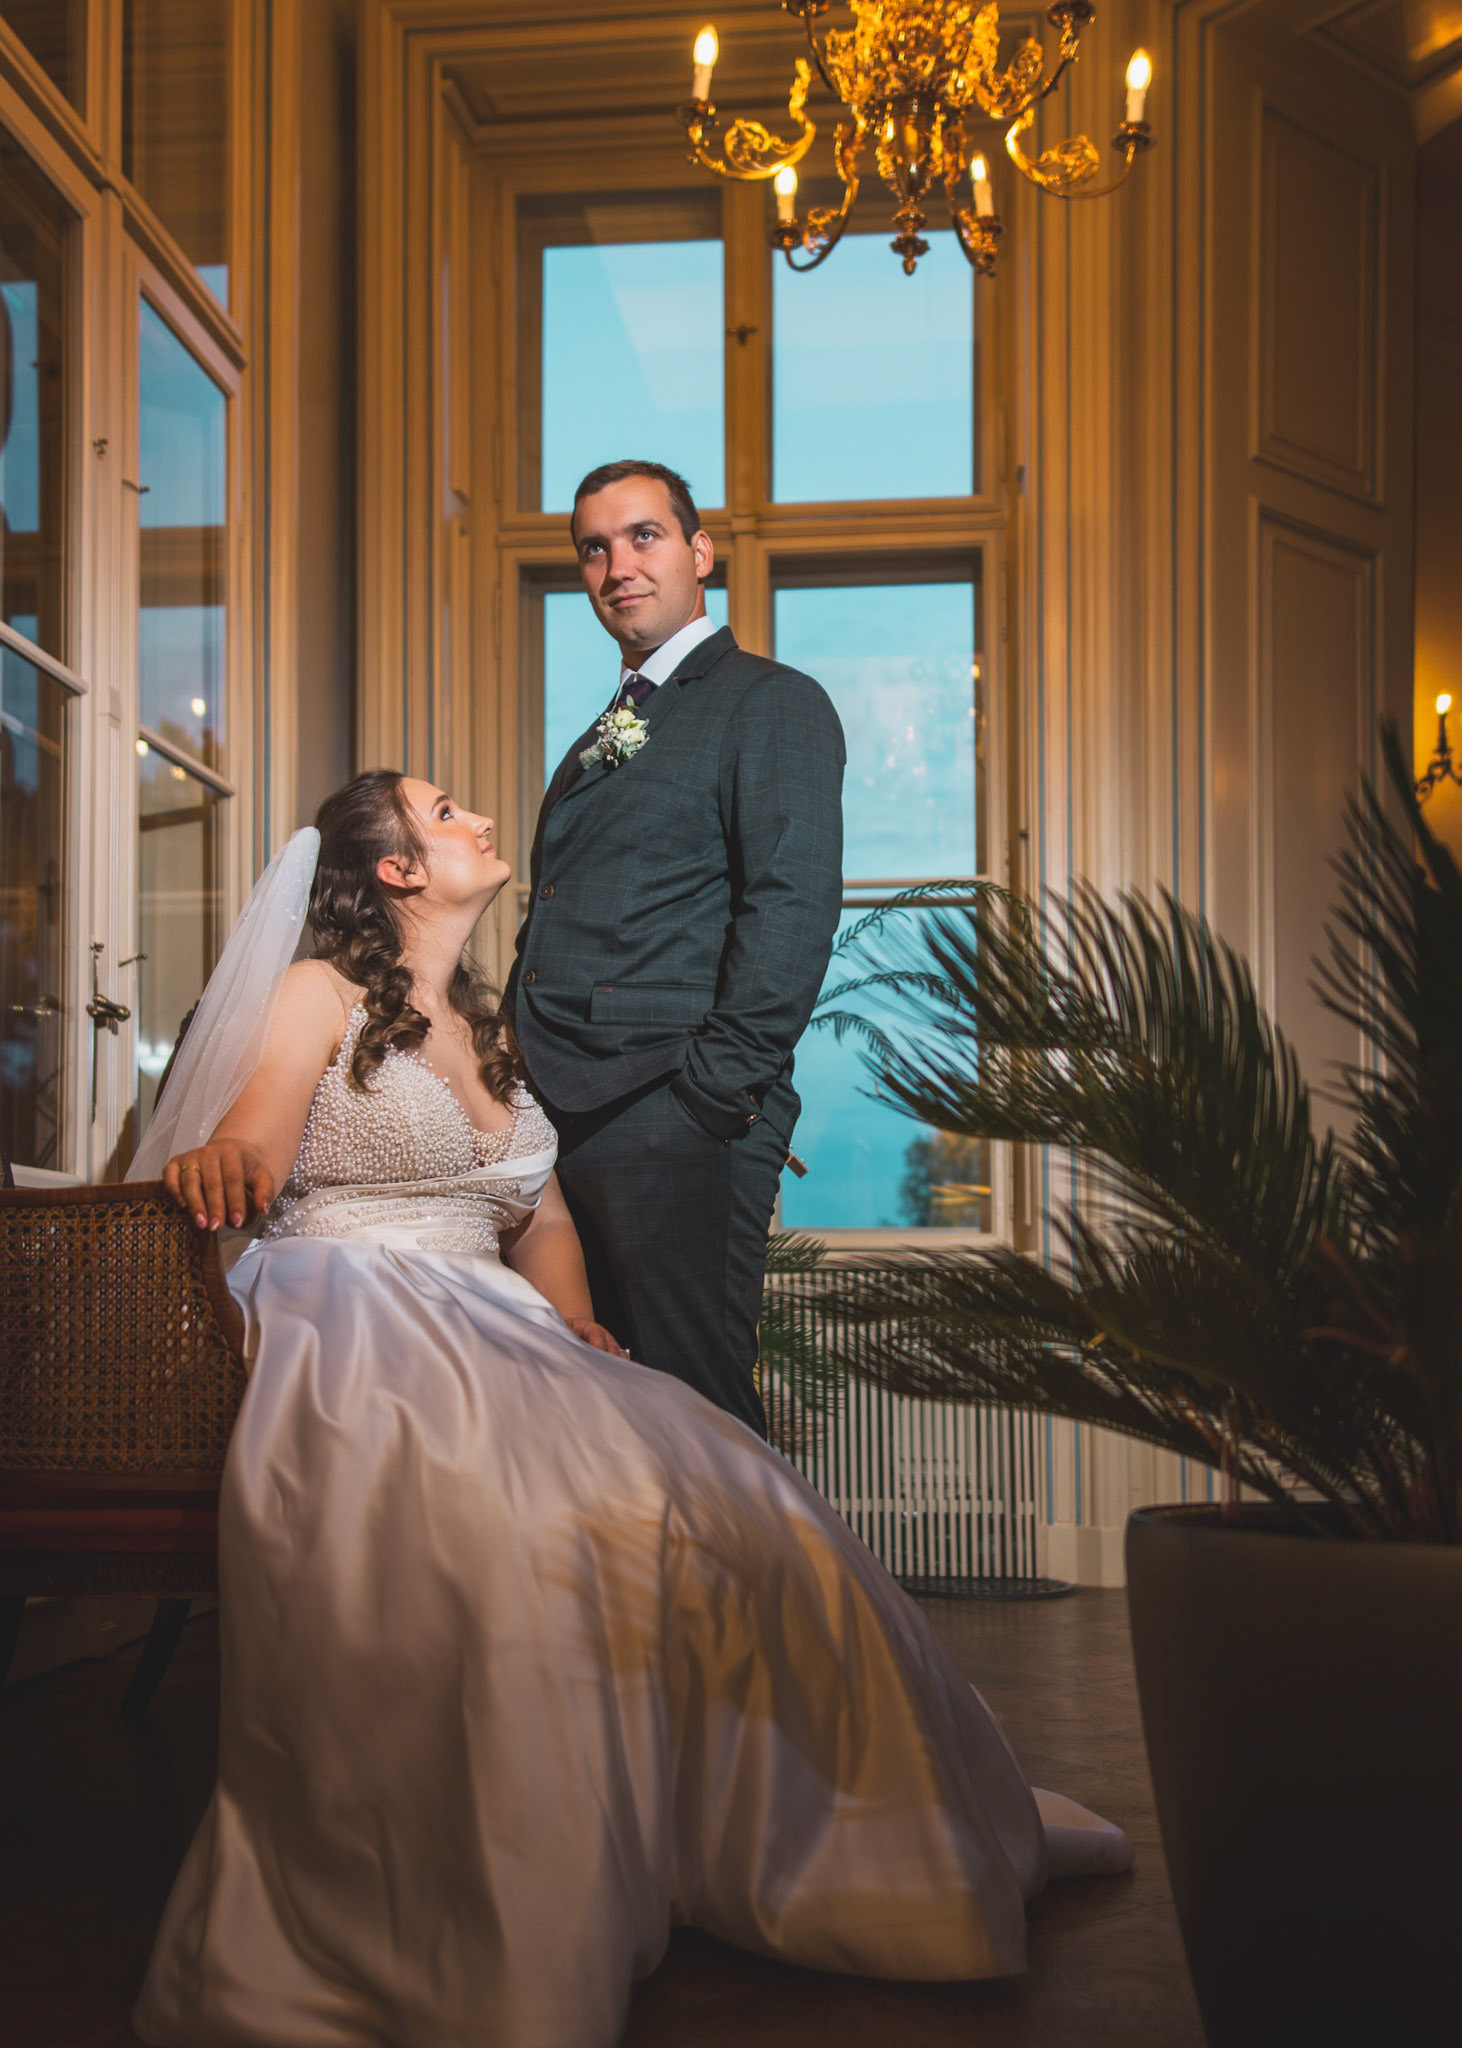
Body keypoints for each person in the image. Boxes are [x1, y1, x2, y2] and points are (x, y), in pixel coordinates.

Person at [127, 768, 1130, 2048]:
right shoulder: (318, 992)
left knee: (742, 1493)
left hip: (502, 1318)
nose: (475, 818)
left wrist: (573, 1320)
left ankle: (808, 1836)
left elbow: (539, 1212)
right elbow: (258, 1142)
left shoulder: (488, 1028)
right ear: (393, 868)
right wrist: (228, 1156)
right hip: (354, 1295)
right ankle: (488, 1913)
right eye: (443, 811)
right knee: (519, 1514)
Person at [508, 459, 844, 1438]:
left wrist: (710, 1098)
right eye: (594, 547)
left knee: (700, 1420)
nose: (617, 565)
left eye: (643, 536)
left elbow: (790, 904)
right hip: (568, 1116)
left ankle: (758, 1555)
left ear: (701, 553)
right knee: (610, 1420)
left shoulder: (769, 700)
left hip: (676, 1114)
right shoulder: (607, 729)